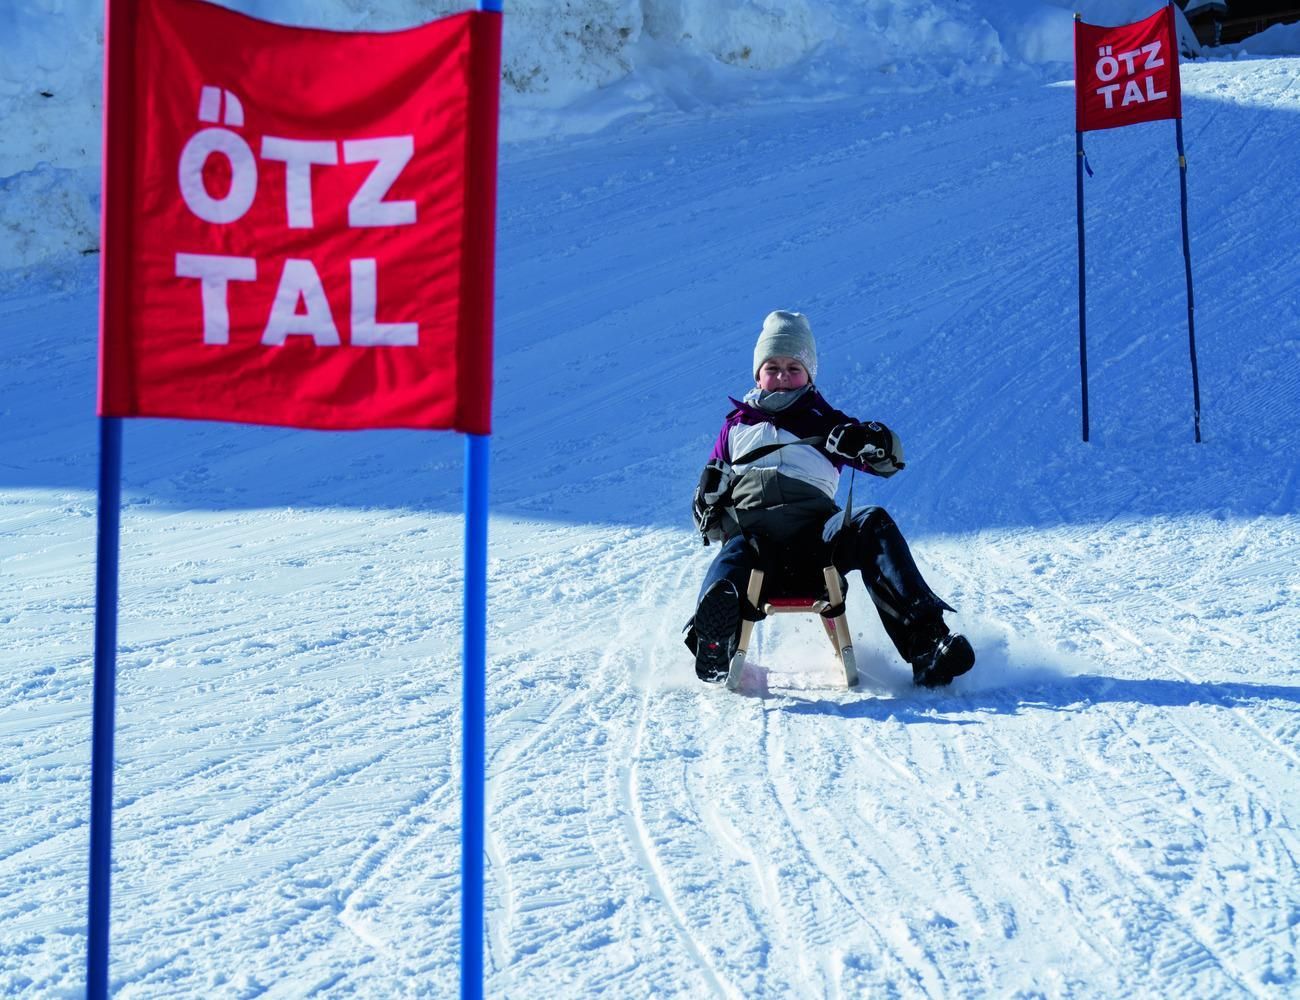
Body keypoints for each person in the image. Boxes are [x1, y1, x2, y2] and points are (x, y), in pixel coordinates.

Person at [685, 309, 974, 688]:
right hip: (757, 548)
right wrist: (706, 501)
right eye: (773, 367)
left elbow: (890, 461)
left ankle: (927, 643)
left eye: (794, 368)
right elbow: (706, 512)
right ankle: (713, 643)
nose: (783, 377)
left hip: (817, 545)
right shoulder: (734, 428)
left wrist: (869, 440)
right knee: (732, 556)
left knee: (872, 522)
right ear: (757, 374)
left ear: (809, 375)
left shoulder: (825, 420)